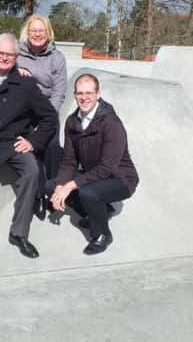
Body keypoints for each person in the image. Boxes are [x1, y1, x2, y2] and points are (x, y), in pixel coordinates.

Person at [0, 33, 58, 259]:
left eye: (10, 54)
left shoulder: (25, 83)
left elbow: (49, 117)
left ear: (16, 57)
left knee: (32, 171)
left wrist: (33, 141)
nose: (4, 58)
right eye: (0, 53)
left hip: (11, 142)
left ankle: (19, 233)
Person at [47, 74, 139, 255]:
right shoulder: (72, 122)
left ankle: (102, 235)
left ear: (98, 94)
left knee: (87, 192)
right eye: (80, 93)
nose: (84, 97)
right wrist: (60, 186)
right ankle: (100, 212)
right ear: (74, 95)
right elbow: (69, 160)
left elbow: (108, 167)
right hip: (94, 175)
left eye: (89, 93)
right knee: (50, 186)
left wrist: (71, 185)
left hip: (121, 178)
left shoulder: (111, 123)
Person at [17, 14, 68, 217]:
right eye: (33, 30)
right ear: (27, 33)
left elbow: (59, 91)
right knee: (31, 149)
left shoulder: (57, 58)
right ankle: (37, 194)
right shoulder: (17, 55)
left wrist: (46, 119)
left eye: (41, 30)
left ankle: (52, 191)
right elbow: (2, 74)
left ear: (48, 33)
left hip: (47, 110)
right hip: (24, 112)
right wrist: (16, 71)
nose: (37, 34)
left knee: (52, 146)